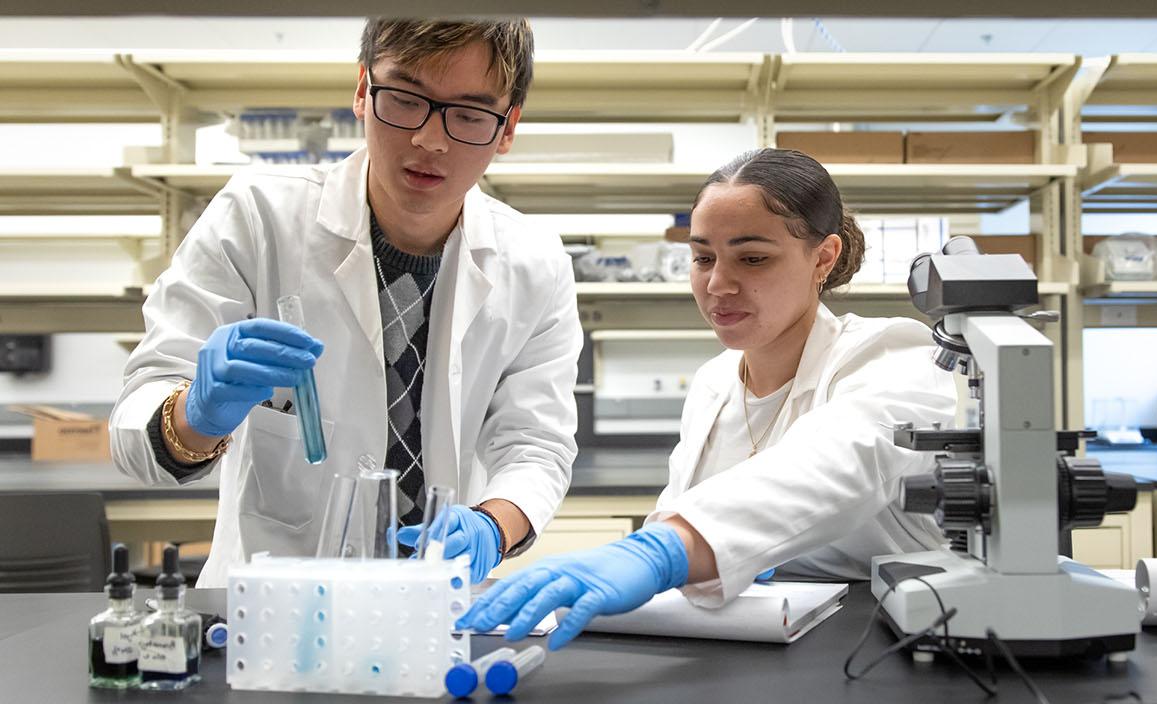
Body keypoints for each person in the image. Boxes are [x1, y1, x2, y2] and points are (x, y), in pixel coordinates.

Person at [109, 19, 581, 588]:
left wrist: (491, 525)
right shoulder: (257, 219)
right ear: (362, 91)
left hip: (437, 606)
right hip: (271, 611)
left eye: (470, 115)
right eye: (405, 100)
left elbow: (537, 446)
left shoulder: (535, 261)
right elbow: (134, 429)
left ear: (507, 129)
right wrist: (197, 413)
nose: (431, 140)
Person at [460, 148, 956, 648]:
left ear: (823, 257)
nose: (718, 283)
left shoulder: (891, 355)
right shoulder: (714, 385)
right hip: (753, 645)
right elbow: (686, 524)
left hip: (886, 647)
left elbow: (837, 460)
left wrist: (660, 553)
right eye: (702, 258)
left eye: (753, 258)